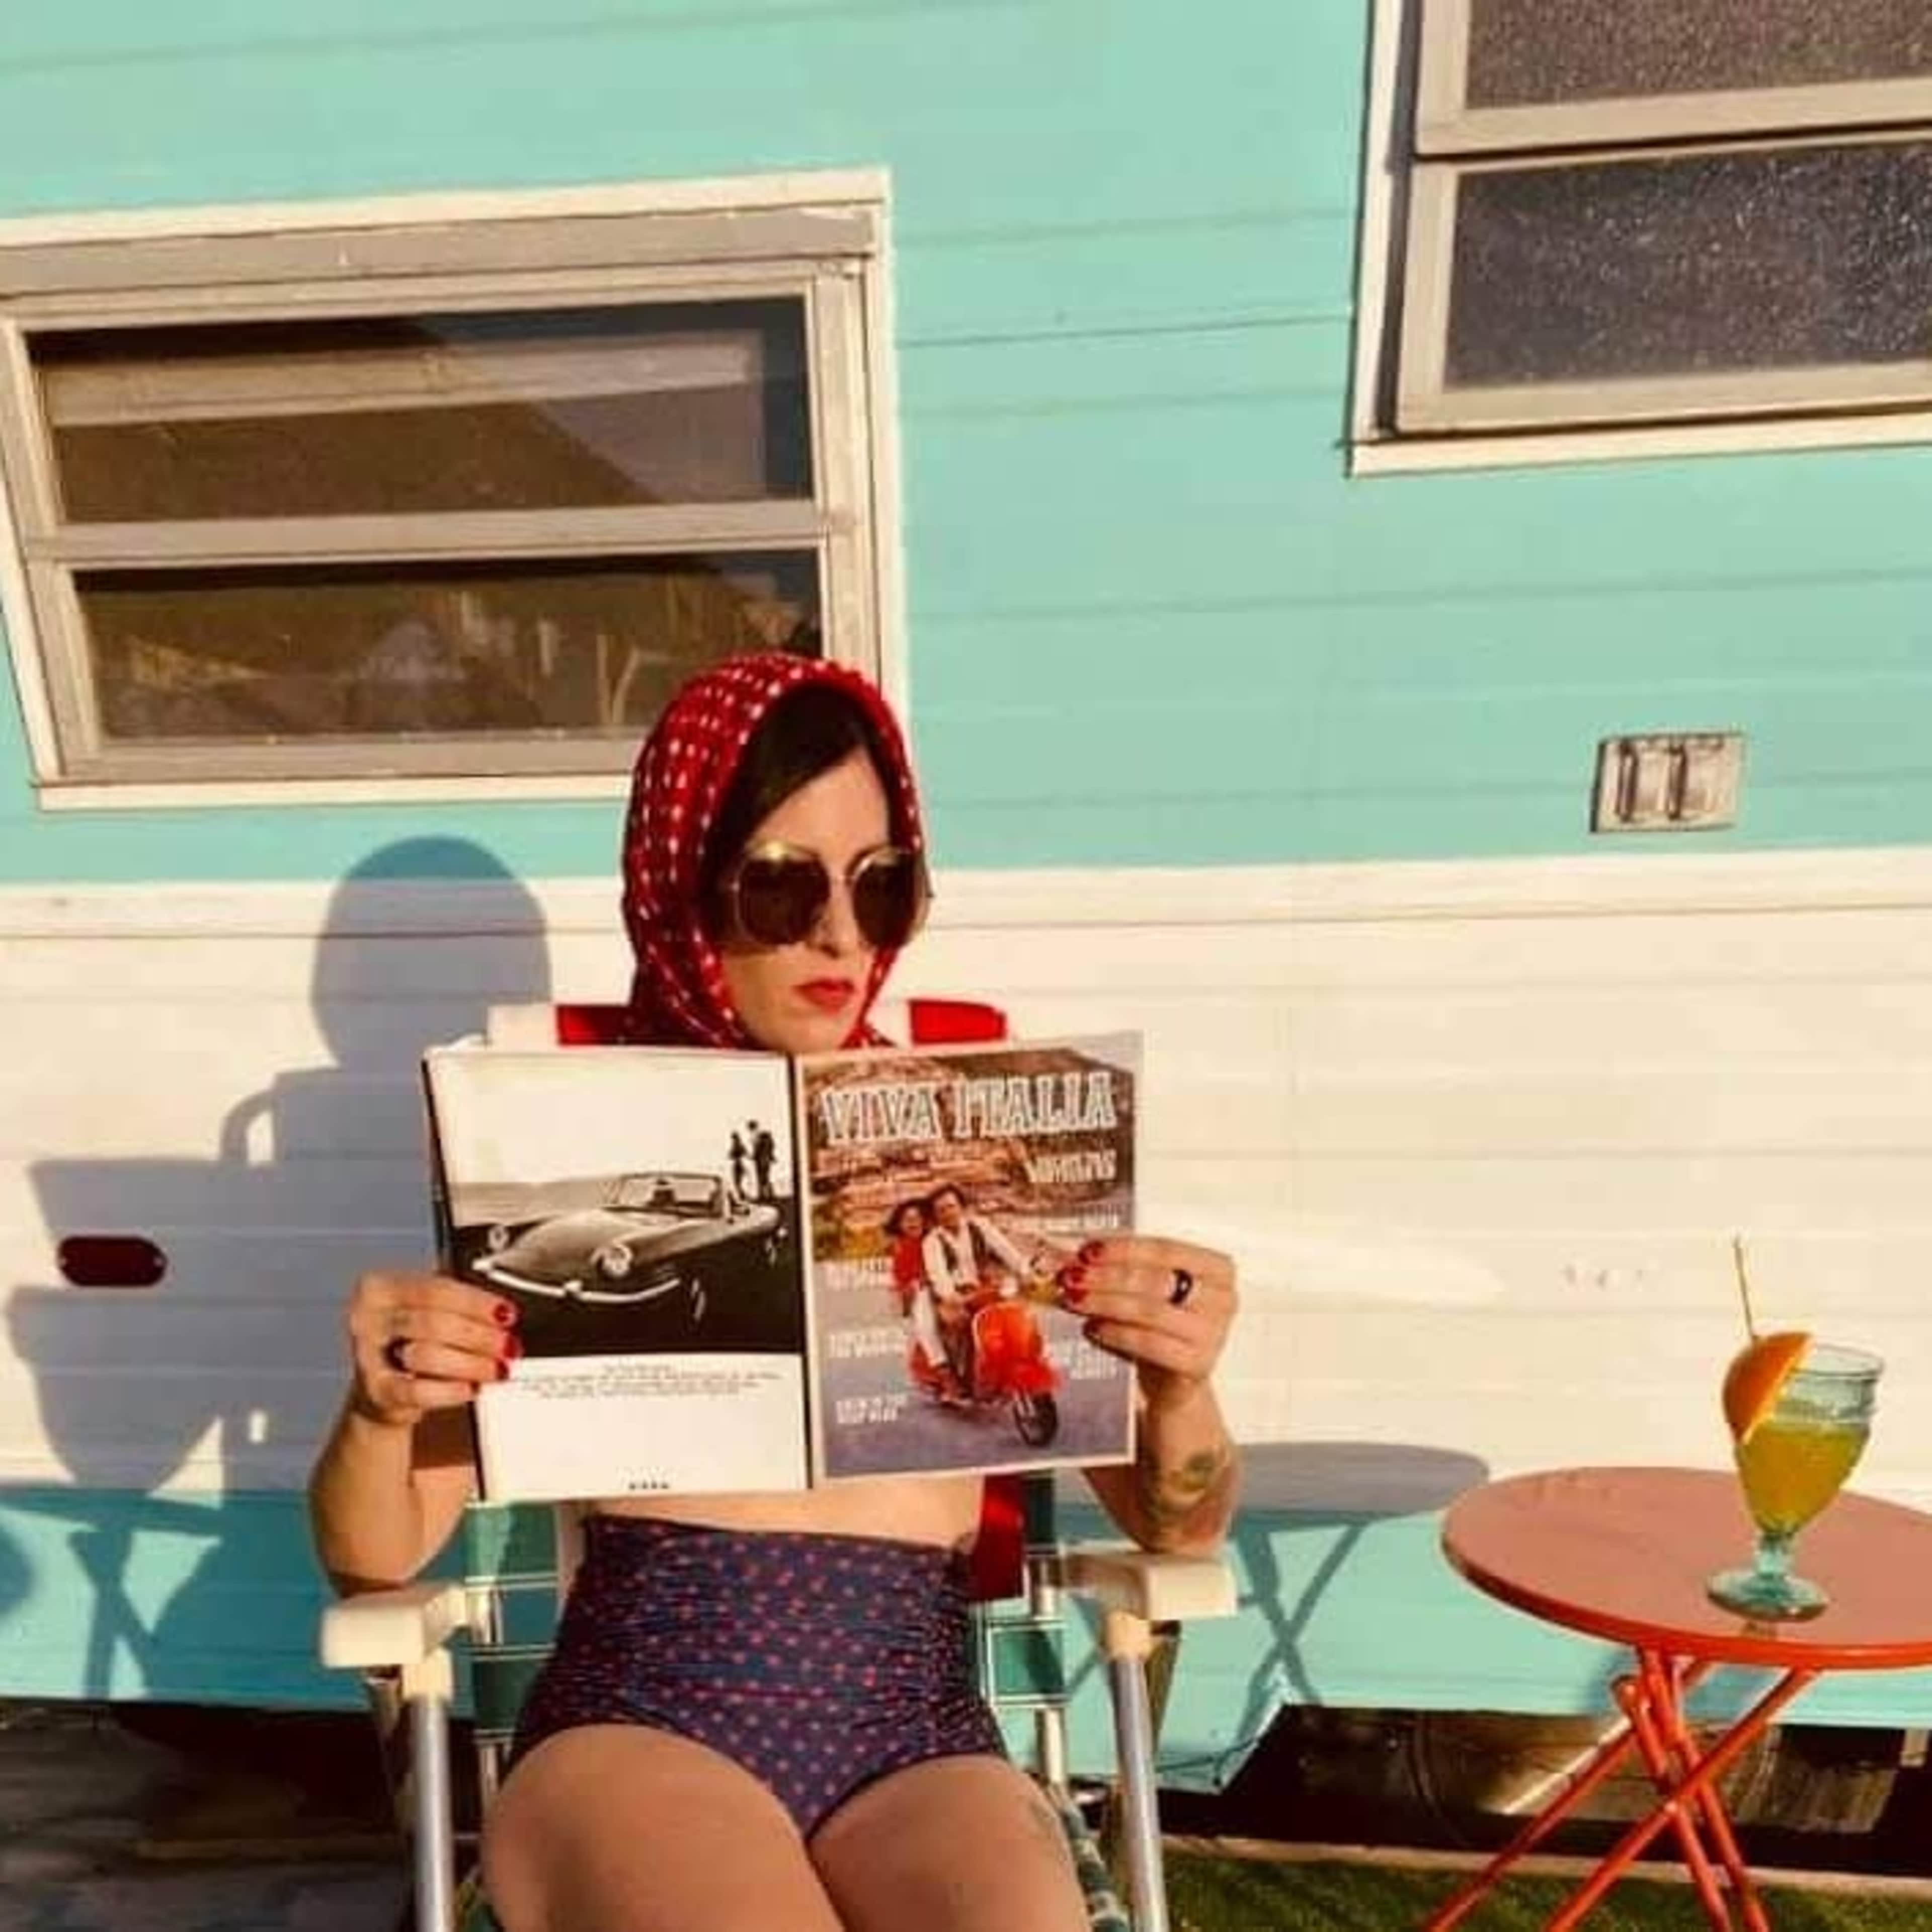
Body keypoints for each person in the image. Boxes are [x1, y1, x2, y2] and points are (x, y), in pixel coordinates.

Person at [307, 652, 1241, 1932]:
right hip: (644, 1717)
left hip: (917, 1727)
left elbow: (1179, 1528)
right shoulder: (566, 1134)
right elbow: (372, 1554)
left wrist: (1180, 1383)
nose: (841, 935)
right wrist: (377, 1410)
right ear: (680, 888)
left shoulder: (973, 1126)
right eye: (781, 884)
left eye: (882, 883)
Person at [885, 1195, 966, 1406]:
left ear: (925, 1220)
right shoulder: (902, 1250)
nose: (913, 1223)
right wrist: (917, 1284)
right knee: (926, 1325)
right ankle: (947, 1378)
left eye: (917, 1218)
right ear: (900, 1225)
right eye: (907, 1220)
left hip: (952, 1287)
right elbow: (901, 1282)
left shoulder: (938, 1238)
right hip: (924, 1294)